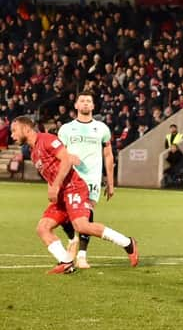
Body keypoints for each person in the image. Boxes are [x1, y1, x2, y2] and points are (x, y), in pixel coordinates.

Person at [10, 116, 138, 274]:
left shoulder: (47, 139)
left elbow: (66, 160)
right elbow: (52, 172)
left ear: (26, 129)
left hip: (74, 187)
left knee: (82, 226)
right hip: (62, 194)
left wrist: (55, 185)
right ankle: (66, 262)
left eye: (14, 130)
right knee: (43, 228)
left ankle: (128, 243)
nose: (12, 135)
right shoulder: (34, 152)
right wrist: (53, 188)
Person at [57, 91, 114, 269]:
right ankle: (72, 239)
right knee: (65, 215)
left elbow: (108, 155)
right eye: (82, 101)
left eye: (89, 101)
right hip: (69, 178)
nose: (85, 103)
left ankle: (82, 255)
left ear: (93, 105)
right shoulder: (66, 129)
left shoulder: (102, 128)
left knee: (86, 216)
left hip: (91, 180)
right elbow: (58, 154)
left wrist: (110, 182)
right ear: (76, 105)